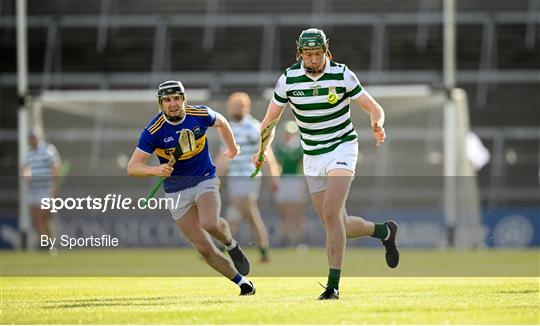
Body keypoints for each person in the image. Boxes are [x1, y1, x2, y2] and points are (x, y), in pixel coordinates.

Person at [253, 29, 400, 300]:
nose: (313, 59)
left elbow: (373, 107)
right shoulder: (288, 79)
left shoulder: (342, 74)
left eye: (317, 53)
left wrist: (377, 123)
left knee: (332, 213)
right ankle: (383, 231)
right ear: (300, 53)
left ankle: (333, 287)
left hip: (342, 147)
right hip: (312, 156)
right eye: (308, 54)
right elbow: (269, 122)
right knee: (336, 222)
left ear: (326, 50)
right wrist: (261, 150)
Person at [127, 80, 255, 296]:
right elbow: (133, 167)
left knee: (209, 222)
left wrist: (232, 149)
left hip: (204, 178)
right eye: (167, 100)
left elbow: (222, 122)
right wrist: (155, 171)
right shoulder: (153, 130)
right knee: (204, 248)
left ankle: (230, 244)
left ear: (183, 99)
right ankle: (242, 283)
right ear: (161, 104)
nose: (173, 104)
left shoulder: (199, 114)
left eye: (176, 98)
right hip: (175, 190)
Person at [215, 92, 279, 263]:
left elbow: (266, 153)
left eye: (239, 106)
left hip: (249, 176)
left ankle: (222, 249)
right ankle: (264, 252)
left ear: (247, 107)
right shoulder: (229, 128)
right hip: (234, 178)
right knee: (251, 215)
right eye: (233, 105)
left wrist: (273, 176)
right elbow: (224, 154)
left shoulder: (253, 127)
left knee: (234, 209)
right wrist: (215, 176)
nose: (236, 109)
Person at [24, 129, 61, 248]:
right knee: (37, 219)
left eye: (33, 138)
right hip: (32, 190)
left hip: (45, 190)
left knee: (44, 217)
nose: (31, 141)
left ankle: (50, 244)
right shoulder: (29, 153)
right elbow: (26, 168)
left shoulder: (47, 150)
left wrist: (54, 185)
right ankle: (44, 244)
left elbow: (55, 167)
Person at [273, 120, 308, 246]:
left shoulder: (299, 146)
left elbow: (303, 166)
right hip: (283, 181)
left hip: (296, 180)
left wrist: (304, 184)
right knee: (284, 211)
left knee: (296, 212)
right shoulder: (279, 146)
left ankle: (300, 238)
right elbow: (276, 164)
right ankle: (286, 237)